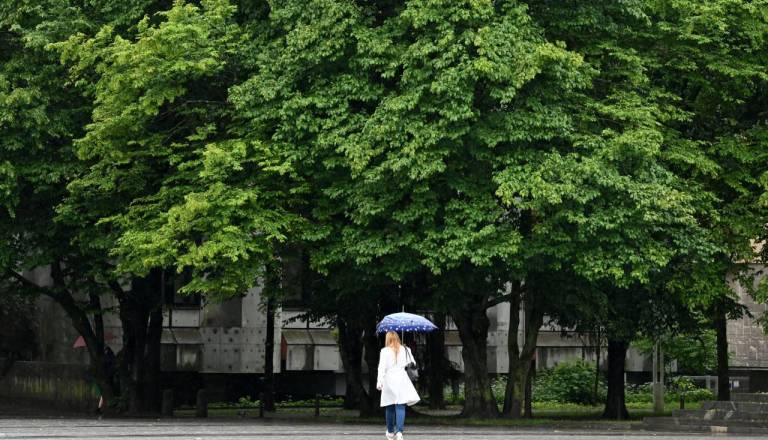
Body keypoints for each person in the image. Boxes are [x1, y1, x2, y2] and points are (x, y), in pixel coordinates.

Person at [377, 331, 419, 440]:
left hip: (389, 380)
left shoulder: (384, 351)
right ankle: (399, 432)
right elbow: (413, 363)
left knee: (389, 406)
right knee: (400, 405)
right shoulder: (406, 349)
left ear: (388, 339)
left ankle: (390, 432)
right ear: (397, 338)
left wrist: (379, 382)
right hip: (402, 379)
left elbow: (381, 368)